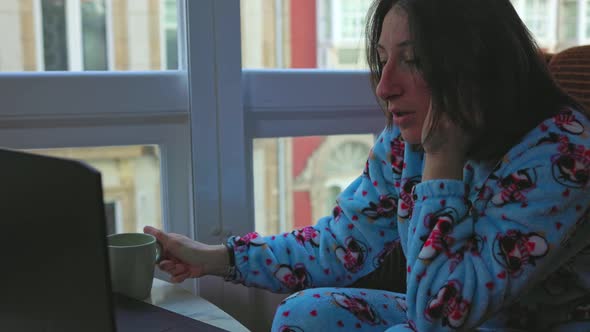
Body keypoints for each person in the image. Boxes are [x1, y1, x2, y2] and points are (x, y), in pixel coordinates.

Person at [144, 0, 590, 330]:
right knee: (303, 314)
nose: (385, 85)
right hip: (439, 312)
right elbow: (341, 243)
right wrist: (217, 258)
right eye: (381, 59)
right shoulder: (406, 142)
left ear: (477, 62)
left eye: (412, 60)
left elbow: (441, 317)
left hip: (538, 325)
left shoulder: (560, 150)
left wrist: (442, 160)